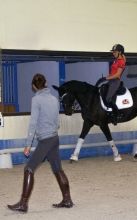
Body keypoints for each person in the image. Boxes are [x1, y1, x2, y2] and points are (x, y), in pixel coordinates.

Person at [7, 73, 73, 213]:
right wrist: (52, 130)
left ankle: (23, 204)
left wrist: (28, 144)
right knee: (57, 169)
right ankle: (67, 200)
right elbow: (57, 121)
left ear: (33, 86)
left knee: (29, 169)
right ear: (46, 83)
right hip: (55, 138)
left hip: (46, 140)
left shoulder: (36, 100)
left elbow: (33, 123)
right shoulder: (54, 99)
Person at [105, 44, 126, 125]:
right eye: (113, 52)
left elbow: (117, 74)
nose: (113, 53)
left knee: (108, 98)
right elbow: (112, 72)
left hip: (115, 81)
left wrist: (107, 78)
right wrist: (107, 77)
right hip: (111, 80)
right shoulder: (116, 60)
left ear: (120, 52)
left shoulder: (121, 61)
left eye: (115, 52)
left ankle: (116, 115)